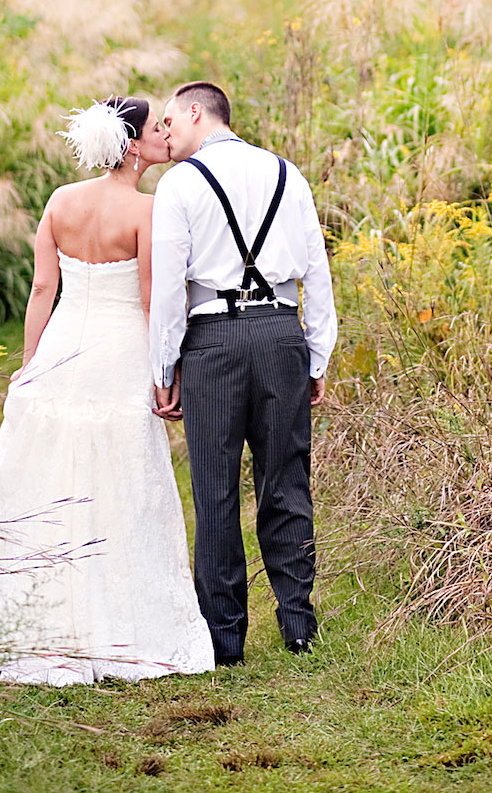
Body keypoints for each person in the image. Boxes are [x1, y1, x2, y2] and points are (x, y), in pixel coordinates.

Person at [0, 97, 214, 685]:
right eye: (156, 130)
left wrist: (32, 364)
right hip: (119, 352)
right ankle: (117, 616)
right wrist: (169, 372)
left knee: (52, 475)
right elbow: (147, 300)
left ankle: (38, 608)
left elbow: (41, 289)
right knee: (120, 478)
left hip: (63, 347)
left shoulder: (61, 201)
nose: (166, 135)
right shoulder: (147, 210)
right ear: (133, 144)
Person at [149, 82, 337, 667]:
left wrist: (164, 365)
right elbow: (317, 271)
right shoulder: (288, 174)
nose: (166, 131)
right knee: (286, 480)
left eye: (172, 119)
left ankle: (225, 636)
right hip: (282, 335)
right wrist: (318, 353)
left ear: (198, 112)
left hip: (214, 346)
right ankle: (298, 621)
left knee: (215, 488)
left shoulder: (178, 184)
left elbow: (168, 286)